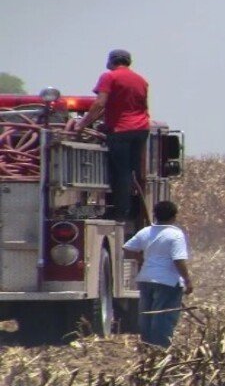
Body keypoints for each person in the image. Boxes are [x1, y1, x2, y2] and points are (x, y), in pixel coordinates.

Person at [75, 49, 150, 222]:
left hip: (121, 130)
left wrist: (82, 124)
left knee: (120, 171)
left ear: (111, 61)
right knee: (132, 171)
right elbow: (138, 106)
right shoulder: (141, 80)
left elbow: (100, 103)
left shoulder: (109, 76)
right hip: (141, 129)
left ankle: (120, 212)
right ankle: (131, 208)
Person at [123, 201, 194, 347]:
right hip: (167, 281)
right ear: (174, 217)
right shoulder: (175, 234)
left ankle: (146, 345)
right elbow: (178, 260)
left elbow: (128, 248)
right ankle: (160, 348)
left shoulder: (146, 231)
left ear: (155, 215)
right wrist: (187, 280)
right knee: (163, 315)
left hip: (146, 278)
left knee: (146, 314)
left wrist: (142, 259)